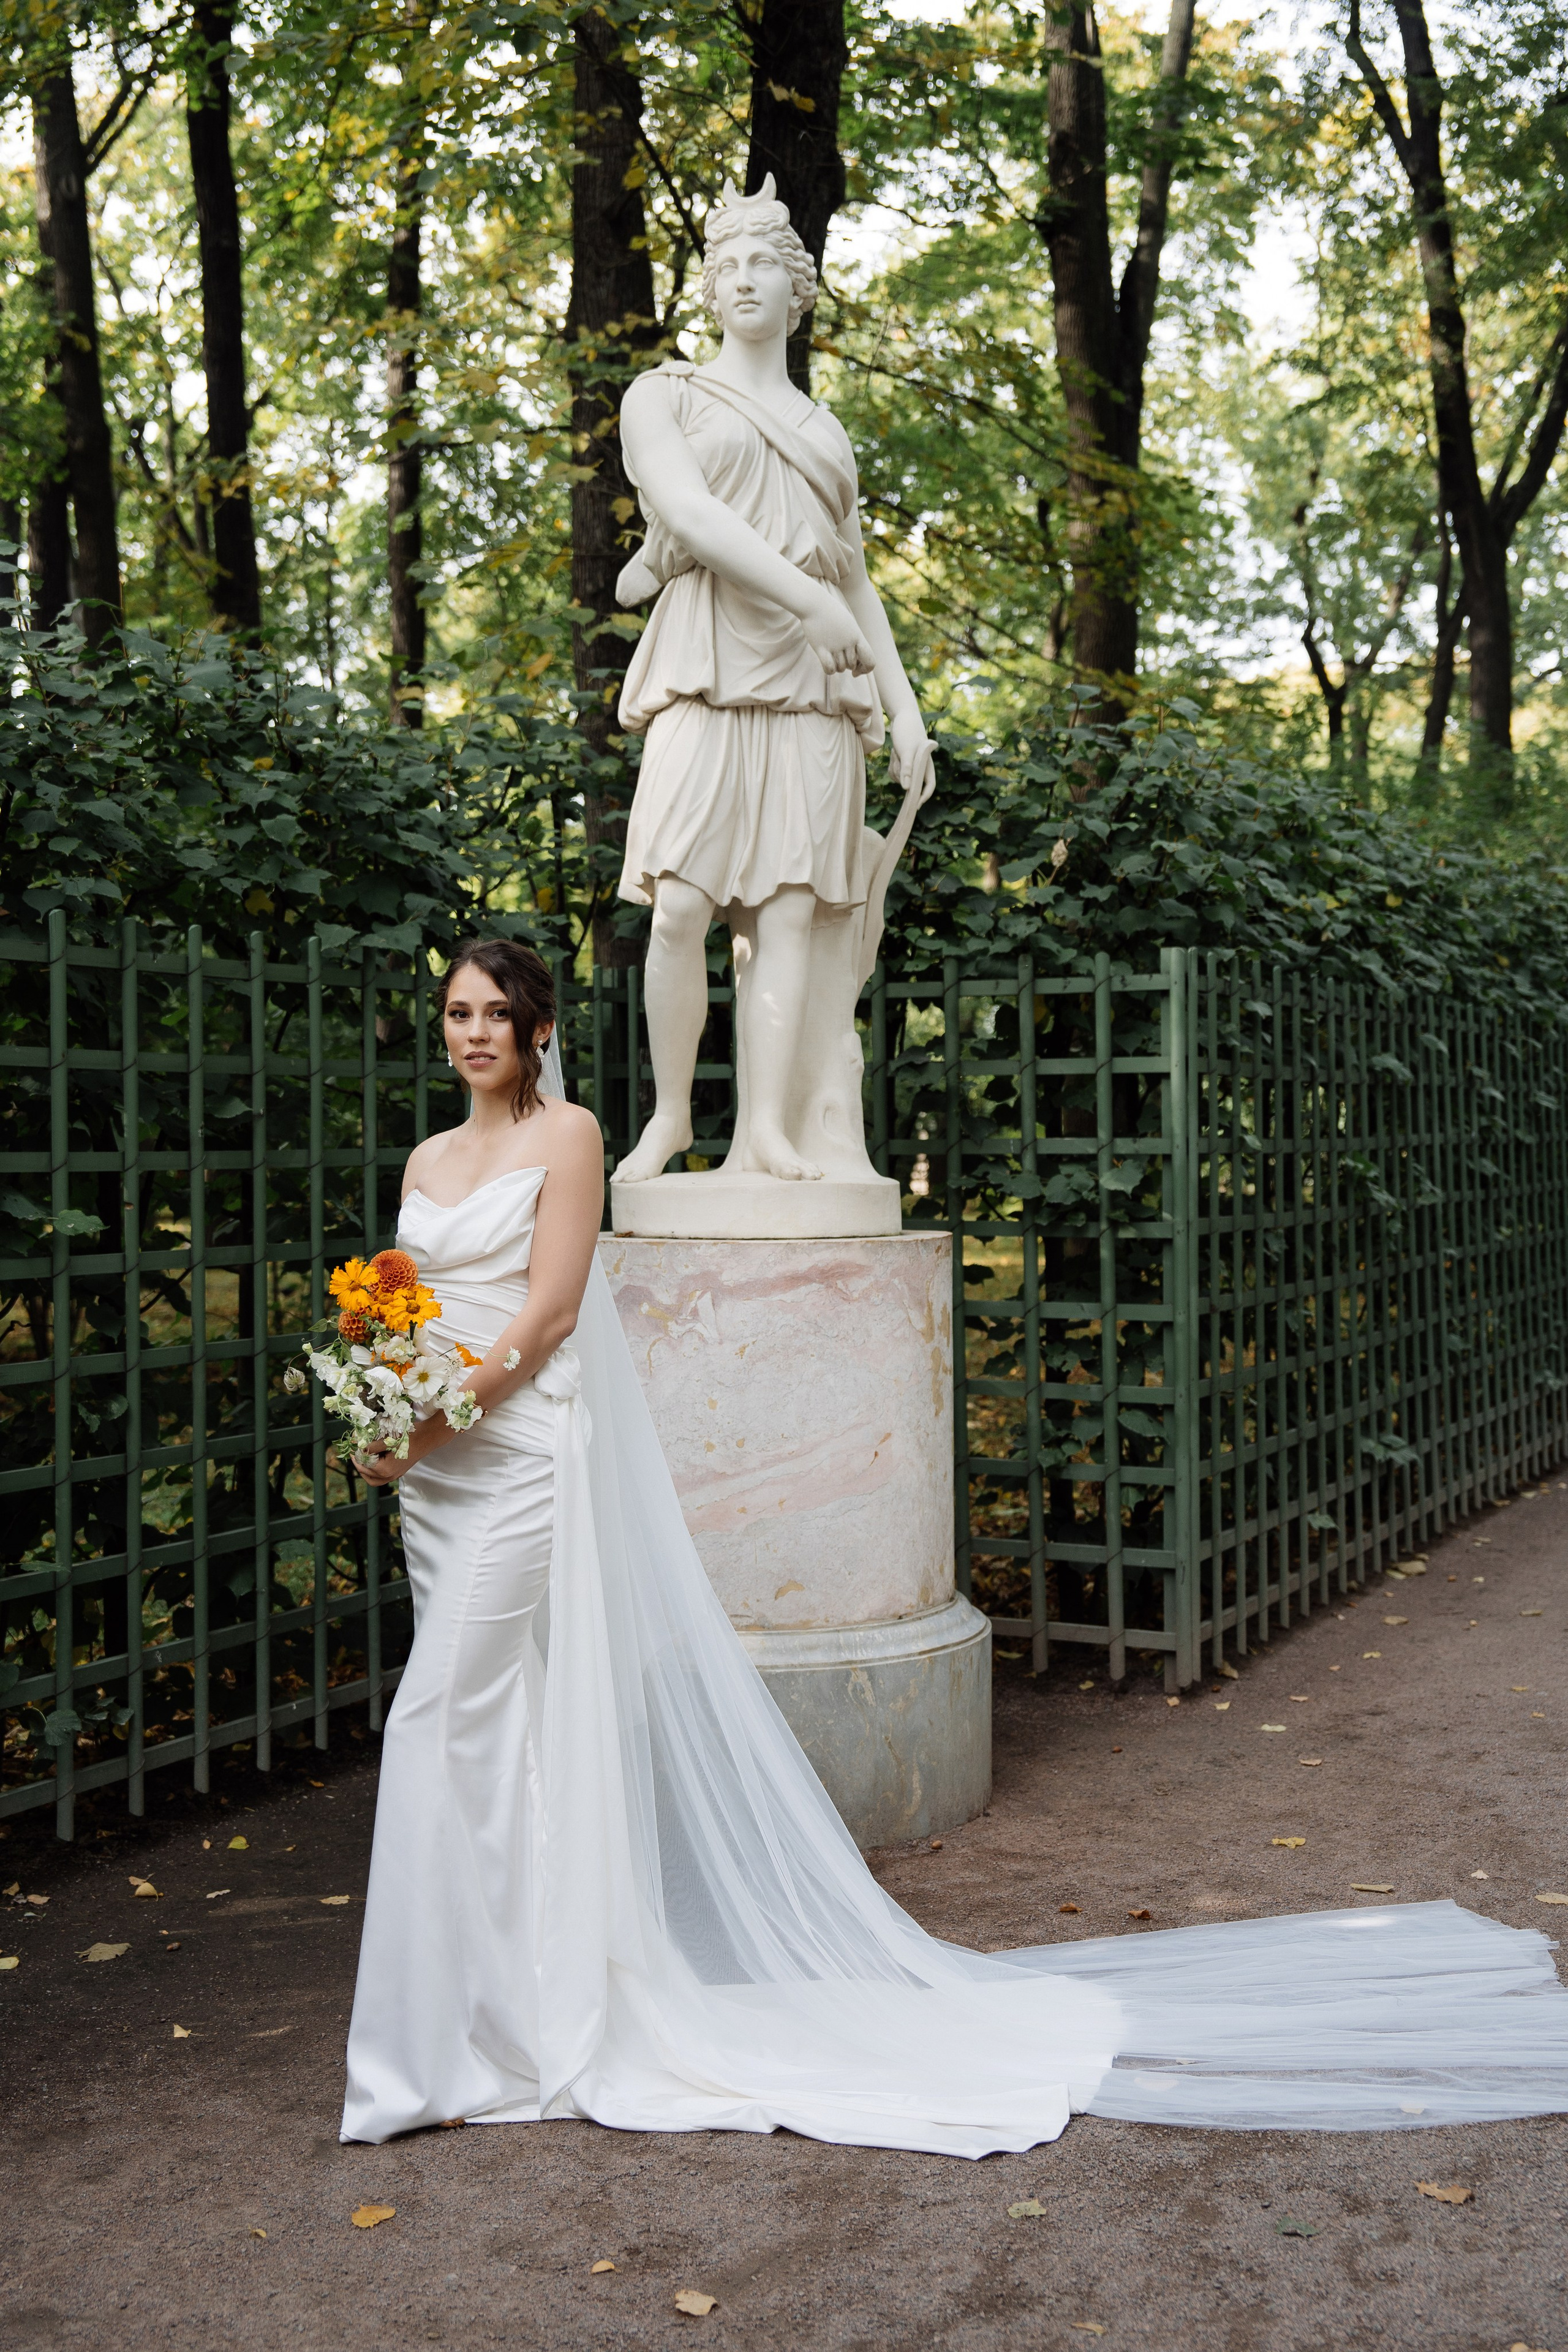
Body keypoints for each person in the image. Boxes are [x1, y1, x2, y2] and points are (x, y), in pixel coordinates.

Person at [341, 935, 1568, 2150]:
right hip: (434, 1479)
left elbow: (553, 1311)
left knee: (435, 1713)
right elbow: (410, 1307)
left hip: (511, 1458)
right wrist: (382, 1399)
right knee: (498, 1729)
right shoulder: (427, 1157)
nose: (475, 1032)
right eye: (458, 1012)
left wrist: (431, 1421)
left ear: (538, 1028)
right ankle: (501, 2009)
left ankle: (424, 2054)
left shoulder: (568, 1135)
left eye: (496, 1012)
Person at [610, 177, 936, 1188]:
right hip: (704, 668)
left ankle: (766, 1132)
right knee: (679, 906)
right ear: (709, 290)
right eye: (729, 266)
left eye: (766, 265)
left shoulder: (825, 432)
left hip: (811, 690)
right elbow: (692, 517)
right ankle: (670, 1117)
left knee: (789, 915)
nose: (745, 280)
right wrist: (808, 602)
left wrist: (904, 707)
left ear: (800, 291)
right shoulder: (663, 396)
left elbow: (856, 582)